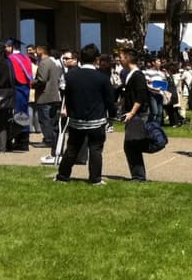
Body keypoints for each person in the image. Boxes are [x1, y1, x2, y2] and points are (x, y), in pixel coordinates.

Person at [55, 43, 116, 185]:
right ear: (97, 59)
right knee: (95, 149)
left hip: (76, 118)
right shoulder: (102, 78)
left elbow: (67, 96)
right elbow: (109, 100)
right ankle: (95, 179)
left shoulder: (71, 76)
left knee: (72, 148)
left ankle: (63, 176)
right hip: (96, 119)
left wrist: (69, 110)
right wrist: (111, 115)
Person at [119, 47, 150, 181]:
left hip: (137, 115)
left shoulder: (138, 76)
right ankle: (137, 175)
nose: (119, 60)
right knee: (131, 145)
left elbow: (140, 96)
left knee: (132, 144)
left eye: (121, 57)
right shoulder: (129, 74)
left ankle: (139, 176)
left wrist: (132, 112)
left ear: (127, 58)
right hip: (132, 114)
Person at [32, 45, 62, 152]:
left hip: (45, 96)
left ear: (40, 50)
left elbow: (42, 80)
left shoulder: (44, 63)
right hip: (53, 95)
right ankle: (51, 139)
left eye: (36, 50)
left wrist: (32, 83)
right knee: (51, 119)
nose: (34, 53)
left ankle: (48, 140)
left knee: (45, 120)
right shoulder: (53, 62)